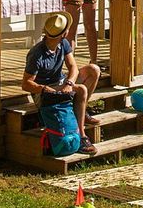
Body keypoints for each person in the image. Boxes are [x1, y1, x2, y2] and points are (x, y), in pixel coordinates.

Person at [21, 11, 101, 155]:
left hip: (61, 82)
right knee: (82, 89)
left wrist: (69, 83)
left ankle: (80, 112)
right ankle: (82, 136)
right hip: (45, 91)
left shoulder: (62, 44)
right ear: (62, 33)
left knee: (93, 70)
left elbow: (73, 67)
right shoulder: (37, 54)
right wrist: (46, 89)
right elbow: (26, 84)